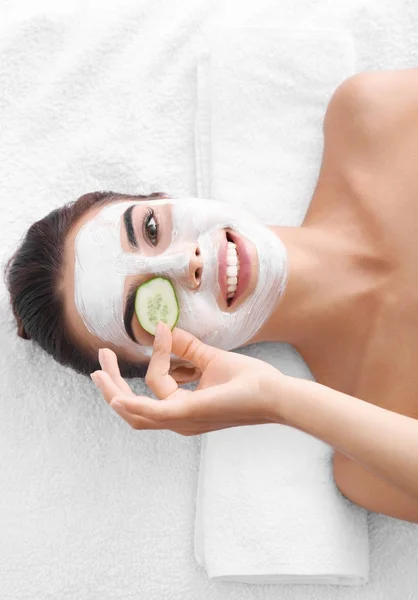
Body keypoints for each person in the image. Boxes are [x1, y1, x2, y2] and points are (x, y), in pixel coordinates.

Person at [4, 67, 418, 523]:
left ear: (169, 197)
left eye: (151, 228)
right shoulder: (374, 468)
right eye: (151, 303)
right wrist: (277, 399)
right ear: (179, 366)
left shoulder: (376, 116)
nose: (186, 263)